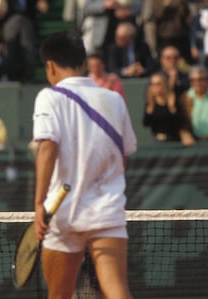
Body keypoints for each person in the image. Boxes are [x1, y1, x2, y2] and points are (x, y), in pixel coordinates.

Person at [32, 30, 136, 298]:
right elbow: (124, 154)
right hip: (106, 211)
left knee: (59, 295)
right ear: (82, 63)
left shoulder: (49, 97)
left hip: (62, 213)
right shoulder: (114, 99)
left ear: (50, 66)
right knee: (117, 290)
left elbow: (47, 148)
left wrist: (39, 203)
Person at [143, 72, 193, 145]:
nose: (155, 87)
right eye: (153, 84)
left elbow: (180, 122)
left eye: (158, 84)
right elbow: (146, 123)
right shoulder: (151, 103)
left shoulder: (172, 100)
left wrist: (172, 108)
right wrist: (149, 110)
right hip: (157, 141)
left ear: (164, 85)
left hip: (173, 140)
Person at [181, 66, 208, 141]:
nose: (197, 83)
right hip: (195, 141)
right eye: (193, 80)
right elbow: (181, 122)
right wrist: (184, 133)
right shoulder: (185, 98)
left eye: (201, 79)